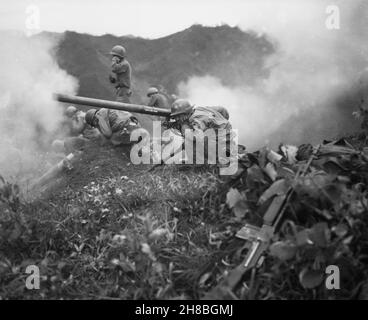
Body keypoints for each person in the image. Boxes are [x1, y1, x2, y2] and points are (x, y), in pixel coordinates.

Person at [167, 99, 238, 171]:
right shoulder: (199, 109)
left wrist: (183, 126)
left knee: (190, 141)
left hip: (222, 148)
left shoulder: (196, 119)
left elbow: (196, 138)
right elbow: (222, 110)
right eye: (175, 116)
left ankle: (200, 166)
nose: (177, 119)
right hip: (226, 142)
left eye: (178, 116)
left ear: (185, 113)